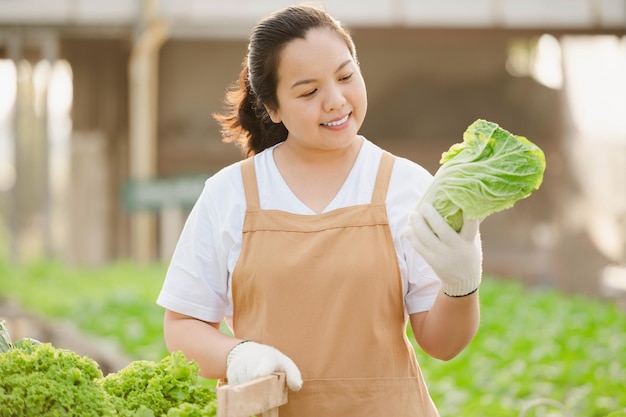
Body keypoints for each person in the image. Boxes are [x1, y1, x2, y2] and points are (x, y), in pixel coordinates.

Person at [157, 4, 483, 416]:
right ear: (273, 108)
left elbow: (442, 344)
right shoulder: (229, 193)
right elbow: (184, 327)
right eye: (308, 92)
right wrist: (239, 355)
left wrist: (461, 285)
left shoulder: (407, 186)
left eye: (346, 77)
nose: (335, 101)